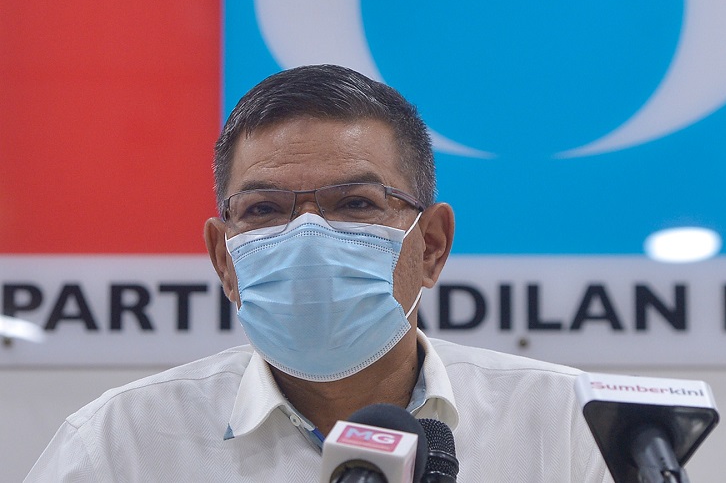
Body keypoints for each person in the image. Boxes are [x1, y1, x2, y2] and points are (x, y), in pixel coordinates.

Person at [26, 64, 612, 482]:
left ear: (431, 245)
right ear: (224, 258)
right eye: (263, 210)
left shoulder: (564, 426)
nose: (308, 238)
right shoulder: (118, 444)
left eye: (356, 203)